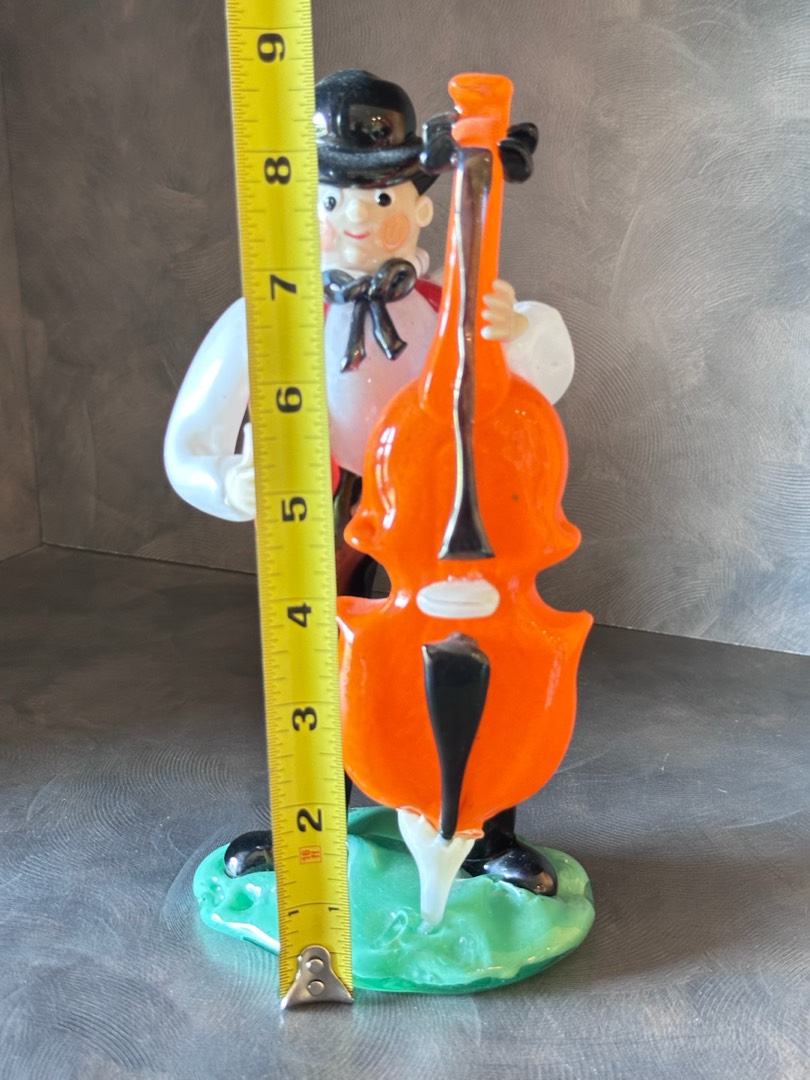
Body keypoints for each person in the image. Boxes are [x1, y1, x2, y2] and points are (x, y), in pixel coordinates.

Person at [164, 70, 576, 893]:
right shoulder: (264, 320)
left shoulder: (453, 305)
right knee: (321, 663)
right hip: (327, 505)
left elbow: (537, 389)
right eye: (332, 199)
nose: (356, 217)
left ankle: (484, 825)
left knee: (475, 652)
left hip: (438, 511)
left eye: (382, 197)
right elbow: (192, 441)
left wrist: (517, 330)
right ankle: (311, 821)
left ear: (422, 208)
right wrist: (225, 481)